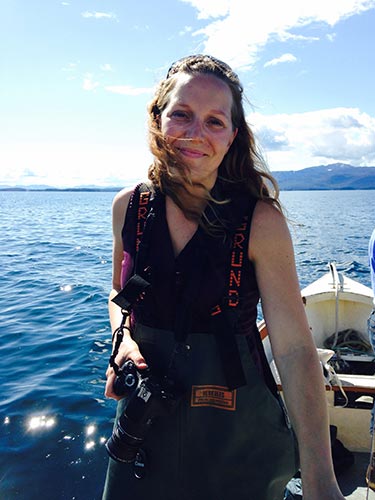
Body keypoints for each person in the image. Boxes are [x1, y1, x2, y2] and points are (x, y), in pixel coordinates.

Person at [102, 54, 344, 500]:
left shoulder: (261, 222)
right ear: (158, 119)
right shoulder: (128, 208)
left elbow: (292, 350)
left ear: (233, 136)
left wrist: (320, 481)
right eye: (181, 114)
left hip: (238, 441)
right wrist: (124, 341)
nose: (195, 134)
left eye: (215, 121)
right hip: (144, 434)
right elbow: (120, 293)